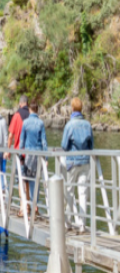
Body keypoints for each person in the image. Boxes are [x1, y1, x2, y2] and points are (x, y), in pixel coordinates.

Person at [61, 97, 94, 232]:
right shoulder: (87, 125)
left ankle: (68, 222)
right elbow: (91, 145)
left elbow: (64, 145)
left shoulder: (70, 125)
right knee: (83, 192)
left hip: (73, 161)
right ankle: (82, 224)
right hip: (86, 162)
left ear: (72, 109)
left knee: (69, 191)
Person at [19, 101, 47, 216]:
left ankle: (29, 206)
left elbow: (22, 141)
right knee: (36, 180)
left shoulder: (25, 123)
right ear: (37, 110)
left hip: (29, 155)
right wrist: (46, 159)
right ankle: (35, 206)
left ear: (30, 110)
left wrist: (21, 156)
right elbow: (44, 142)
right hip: (39, 155)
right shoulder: (41, 123)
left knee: (28, 180)